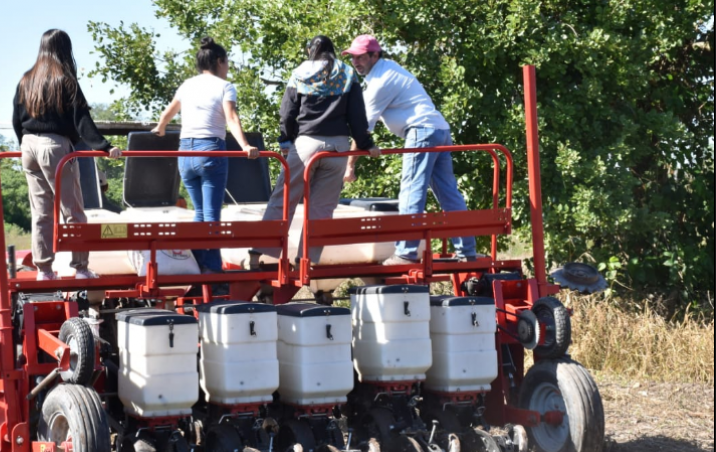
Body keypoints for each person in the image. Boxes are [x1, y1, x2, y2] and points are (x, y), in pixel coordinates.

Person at [341, 34, 478, 264]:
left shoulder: (380, 81)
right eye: (353, 58)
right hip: (439, 130)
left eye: (361, 57)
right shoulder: (387, 69)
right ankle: (467, 251)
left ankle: (405, 253)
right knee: (449, 194)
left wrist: (349, 166)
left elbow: (362, 128)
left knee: (412, 190)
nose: (356, 62)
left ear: (375, 55)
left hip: (422, 132)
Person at [248, 35, 380, 268]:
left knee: (283, 199)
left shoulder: (301, 72)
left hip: (306, 146)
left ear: (311, 50)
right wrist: (367, 144)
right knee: (322, 209)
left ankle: (258, 255)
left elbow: (287, 112)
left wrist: (285, 141)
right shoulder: (347, 73)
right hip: (338, 150)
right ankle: (305, 260)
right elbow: (358, 117)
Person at [13, 29, 122, 281]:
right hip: (55, 147)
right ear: (65, 50)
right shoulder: (65, 79)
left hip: (28, 146)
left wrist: (24, 145)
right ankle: (81, 268)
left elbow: (16, 119)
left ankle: (44, 271)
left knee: (41, 212)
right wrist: (104, 147)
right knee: (73, 210)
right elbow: (81, 118)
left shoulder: (26, 79)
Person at [153, 37, 258, 292]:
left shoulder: (187, 85)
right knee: (211, 214)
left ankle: (200, 264)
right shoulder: (225, 86)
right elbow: (231, 118)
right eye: (227, 62)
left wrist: (160, 127)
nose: (228, 67)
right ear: (220, 61)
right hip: (210, 151)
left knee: (199, 213)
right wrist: (245, 145)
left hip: (185, 153)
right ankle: (212, 271)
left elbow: (169, 112)